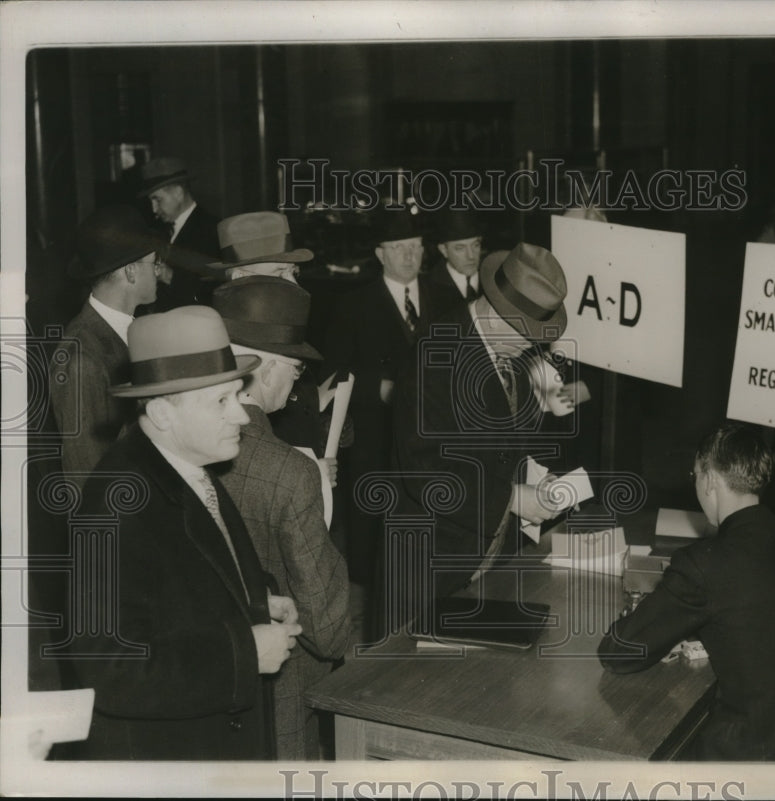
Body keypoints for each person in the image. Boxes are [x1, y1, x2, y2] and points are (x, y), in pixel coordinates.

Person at [68, 305, 302, 760]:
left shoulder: (186, 466)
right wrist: (244, 653)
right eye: (221, 402)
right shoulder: (114, 504)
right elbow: (112, 668)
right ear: (161, 413)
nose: (241, 416)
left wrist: (254, 599)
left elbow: (183, 585)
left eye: (237, 396)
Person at [599, 423, 775, 761]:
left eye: (694, 475)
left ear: (710, 480)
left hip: (741, 764)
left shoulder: (703, 565)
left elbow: (618, 654)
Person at [386, 242, 571, 632]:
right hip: (434, 561)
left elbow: (505, 446)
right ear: (494, 311)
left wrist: (533, 477)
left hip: (492, 553)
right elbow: (427, 471)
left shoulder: (511, 355)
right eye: (527, 334)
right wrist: (514, 498)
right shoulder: (434, 355)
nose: (534, 345)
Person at [212, 276, 351, 760]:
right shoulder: (290, 470)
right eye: (294, 370)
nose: (295, 386)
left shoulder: (177, 443)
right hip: (283, 686)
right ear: (265, 368)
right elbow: (326, 622)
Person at [322, 208, 452, 594]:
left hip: (433, 439)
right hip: (374, 439)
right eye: (398, 248)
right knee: (376, 541)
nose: (409, 256)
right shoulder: (353, 305)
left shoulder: (446, 300)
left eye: (415, 247)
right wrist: (375, 389)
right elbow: (332, 374)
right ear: (380, 254)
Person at [48, 205, 163, 479]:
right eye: (155, 263)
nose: (159, 272)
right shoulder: (81, 357)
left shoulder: (138, 331)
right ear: (131, 272)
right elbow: (85, 476)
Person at [209, 210, 325, 455]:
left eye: (293, 272)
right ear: (242, 279)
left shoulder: (280, 321)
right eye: (279, 273)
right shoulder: (215, 350)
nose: (293, 283)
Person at [137, 156, 221, 309]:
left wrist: (168, 276)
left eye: (157, 199)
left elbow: (212, 292)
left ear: (178, 192)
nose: (154, 210)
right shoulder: (159, 230)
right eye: (151, 202)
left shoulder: (212, 230)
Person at [428, 208, 484, 309]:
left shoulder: (493, 278)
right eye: (460, 248)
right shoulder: (428, 288)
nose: (471, 256)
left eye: (475, 245)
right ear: (444, 250)